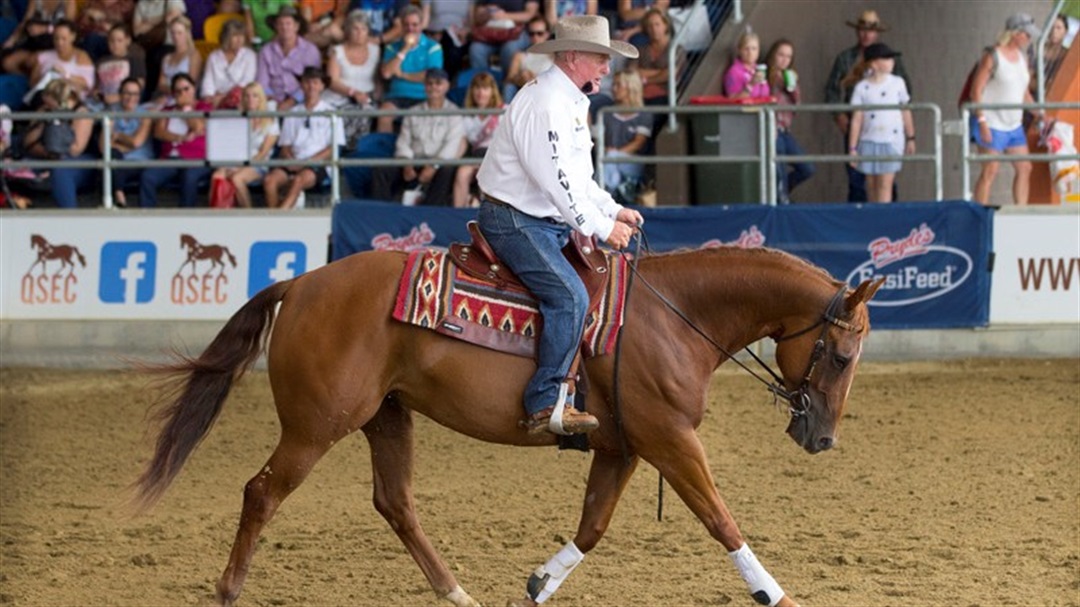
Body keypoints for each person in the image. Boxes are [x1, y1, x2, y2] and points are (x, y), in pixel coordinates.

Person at [475, 15, 643, 435]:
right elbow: (558, 182)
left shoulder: (567, 100)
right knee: (569, 296)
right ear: (572, 57)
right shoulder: (546, 103)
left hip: (537, 218)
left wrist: (611, 209)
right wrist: (601, 228)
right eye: (600, 59)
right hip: (514, 220)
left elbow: (578, 178)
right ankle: (545, 400)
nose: (607, 68)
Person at [825, 9, 910, 203]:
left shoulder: (890, 60)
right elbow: (832, 89)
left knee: (886, 179)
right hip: (856, 122)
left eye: (870, 30)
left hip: (886, 128)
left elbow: (906, 92)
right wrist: (840, 116)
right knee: (857, 177)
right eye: (862, 30)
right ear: (857, 32)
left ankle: (887, 219)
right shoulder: (845, 58)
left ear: (877, 33)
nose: (866, 34)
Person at [970, 13, 1042, 206]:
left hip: (1013, 123)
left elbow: (1023, 92)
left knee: (1024, 167)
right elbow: (976, 91)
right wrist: (982, 121)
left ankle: (1021, 210)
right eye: (1026, 34)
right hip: (992, 122)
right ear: (1015, 33)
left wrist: (1040, 113)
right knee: (990, 170)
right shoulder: (993, 55)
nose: (1028, 39)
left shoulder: (1021, 57)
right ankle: (981, 212)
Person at [372, 68, 464, 206]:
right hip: (414, 161)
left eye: (438, 83)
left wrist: (434, 166)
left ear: (447, 86)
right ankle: (380, 213)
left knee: (447, 170)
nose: (433, 87)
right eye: (429, 83)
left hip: (438, 163)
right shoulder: (413, 112)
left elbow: (451, 146)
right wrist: (406, 163)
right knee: (381, 169)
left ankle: (431, 213)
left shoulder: (454, 114)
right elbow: (403, 141)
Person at [263, 66, 345, 209]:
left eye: (315, 82)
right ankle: (277, 216)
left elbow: (333, 148)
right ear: (301, 85)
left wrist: (307, 162)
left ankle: (277, 220)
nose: (311, 86)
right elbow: (285, 146)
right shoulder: (293, 112)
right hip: (293, 160)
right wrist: (291, 161)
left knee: (298, 181)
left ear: (322, 86)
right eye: (307, 82)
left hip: (318, 164)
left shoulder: (332, 112)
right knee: (270, 180)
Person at [844, 43, 913, 204]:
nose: (892, 62)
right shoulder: (862, 87)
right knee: (871, 183)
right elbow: (857, 119)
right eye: (887, 58)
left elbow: (906, 110)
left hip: (891, 139)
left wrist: (911, 137)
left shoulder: (897, 83)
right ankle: (873, 218)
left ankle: (884, 220)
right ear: (874, 62)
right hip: (868, 139)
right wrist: (852, 147)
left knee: (885, 183)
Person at [20, 78, 96, 208]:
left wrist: (57, 126)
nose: (46, 103)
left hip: (78, 161)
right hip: (46, 157)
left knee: (61, 170)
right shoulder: (45, 110)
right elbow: (28, 142)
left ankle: (69, 217)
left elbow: (76, 150)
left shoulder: (82, 113)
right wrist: (48, 152)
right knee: (16, 166)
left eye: (49, 100)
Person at [139, 72, 212, 207]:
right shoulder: (168, 109)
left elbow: (197, 127)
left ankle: (186, 221)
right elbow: (159, 132)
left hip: (196, 158)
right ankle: (147, 218)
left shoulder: (204, 107)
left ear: (194, 89)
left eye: (186, 89)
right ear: (173, 94)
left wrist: (185, 109)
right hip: (170, 158)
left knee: (189, 177)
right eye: (178, 91)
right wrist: (181, 138)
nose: (183, 93)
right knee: (148, 177)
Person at [209, 82, 279, 207]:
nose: (250, 99)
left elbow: (263, 152)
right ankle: (217, 217)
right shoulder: (239, 118)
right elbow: (232, 147)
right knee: (217, 175)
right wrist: (227, 166)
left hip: (258, 164)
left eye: (255, 96)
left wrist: (241, 167)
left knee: (236, 178)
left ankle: (249, 216)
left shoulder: (270, 120)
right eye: (247, 96)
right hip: (237, 160)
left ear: (261, 98)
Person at [376, 5, 443, 133]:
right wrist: (405, 48)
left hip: (424, 96)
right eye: (406, 24)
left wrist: (402, 75)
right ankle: (384, 151)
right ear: (401, 25)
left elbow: (432, 76)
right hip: (397, 96)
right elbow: (386, 73)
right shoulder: (392, 47)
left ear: (421, 25)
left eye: (414, 24)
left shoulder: (433, 47)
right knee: (384, 114)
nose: (410, 28)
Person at [765, 38, 813, 203]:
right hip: (770, 130)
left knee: (807, 168)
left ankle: (781, 190)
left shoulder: (790, 76)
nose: (784, 59)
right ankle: (781, 198)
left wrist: (790, 85)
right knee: (779, 166)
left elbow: (797, 104)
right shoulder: (765, 76)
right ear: (773, 56)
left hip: (785, 131)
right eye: (781, 55)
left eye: (788, 56)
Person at [323, 10, 381, 148]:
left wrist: (377, 95)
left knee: (364, 112)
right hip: (339, 96)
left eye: (363, 29)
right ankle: (337, 152)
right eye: (355, 28)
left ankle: (355, 153)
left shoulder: (375, 50)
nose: (359, 33)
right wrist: (353, 92)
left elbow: (378, 79)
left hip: (366, 99)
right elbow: (332, 81)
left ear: (368, 31)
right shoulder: (337, 51)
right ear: (347, 30)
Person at [256, 4, 322, 111]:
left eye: (288, 23)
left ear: (296, 27)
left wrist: (292, 101)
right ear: (276, 27)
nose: (284, 27)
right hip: (272, 102)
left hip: (302, 101)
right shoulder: (266, 51)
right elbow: (262, 82)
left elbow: (313, 81)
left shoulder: (310, 50)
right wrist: (272, 101)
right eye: (280, 24)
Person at [101, 76, 153, 207]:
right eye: (127, 93)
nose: (131, 97)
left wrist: (117, 136)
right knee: (112, 158)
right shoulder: (112, 111)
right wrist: (124, 145)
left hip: (139, 161)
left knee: (113, 163)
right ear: (120, 94)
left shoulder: (145, 115)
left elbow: (136, 143)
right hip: (117, 159)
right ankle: (119, 196)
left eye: (135, 94)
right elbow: (103, 146)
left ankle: (118, 197)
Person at [601, 68, 651, 202]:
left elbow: (639, 143)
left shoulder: (644, 114)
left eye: (618, 85)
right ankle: (619, 193)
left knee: (610, 160)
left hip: (633, 162)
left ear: (630, 87)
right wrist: (609, 152)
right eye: (613, 84)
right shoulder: (606, 113)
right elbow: (600, 142)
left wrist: (615, 154)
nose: (613, 88)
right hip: (609, 160)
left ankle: (606, 194)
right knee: (613, 171)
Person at [453, 70, 502, 207]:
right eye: (477, 88)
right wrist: (452, 161)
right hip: (475, 156)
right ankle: (458, 214)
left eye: (485, 88)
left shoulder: (504, 111)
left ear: (492, 91)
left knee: (486, 173)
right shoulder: (467, 116)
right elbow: (462, 143)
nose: (481, 93)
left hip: (496, 155)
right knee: (462, 173)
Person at [1, 0, 76, 76]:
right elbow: (26, 20)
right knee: (7, 63)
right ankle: (26, 80)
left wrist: (45, 29)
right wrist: (13, 39)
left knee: (36, 64)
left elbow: (69, 28)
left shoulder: (68, 2)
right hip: (35, 42)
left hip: (56, 46)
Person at [29, 20, 95, 103]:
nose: (59, 43)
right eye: (56, 38)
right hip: (45, 98)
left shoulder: (81, 56)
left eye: (64, 39)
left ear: (73, 37)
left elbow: (88, 85)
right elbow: (32, 83)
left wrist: (64, 75)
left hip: (71, 101)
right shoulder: (43, 56)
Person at [469, 1, 539, 74]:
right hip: (491, 33)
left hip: (518, 32)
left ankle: (507, 82)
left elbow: (531, 14)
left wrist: (504, 16)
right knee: (476, 49)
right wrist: (488, 12)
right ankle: (482, 82)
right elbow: (477, 17)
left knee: (509, 49)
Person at [200, 18, 257, 108]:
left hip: (240, 101)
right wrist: (209, 97)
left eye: (241, 35)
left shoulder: (250, 55)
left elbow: (246, 82)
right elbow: (208, 82)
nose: (239, 39)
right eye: (235, 35)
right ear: (226, 37)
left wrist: (224, 97)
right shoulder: (213, 57)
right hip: (215, 101)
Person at [93, 23, 147, 108]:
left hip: (123, 103)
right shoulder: (101, 62)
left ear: (128, 40)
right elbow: (96, 85)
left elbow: (139, 85)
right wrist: (96, 93)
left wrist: (117, 97)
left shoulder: (134, 60)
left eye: (119, 40)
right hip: (101, 102)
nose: (115, 44)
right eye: (111, 41)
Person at [154, 16, 202, 104]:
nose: (176, 36)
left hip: (185, 100)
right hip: (166, 98)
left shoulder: (194, 55)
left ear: (187, 34)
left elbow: (191, 83)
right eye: (173, 33)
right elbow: (160, 84)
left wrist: (172, 90)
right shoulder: (167, 58)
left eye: (179, 33)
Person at [503, 15, 553, 101]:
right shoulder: (520, 55)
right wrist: (520, 78)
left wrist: (536, 79)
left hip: (546, 91)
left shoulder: (554, 56)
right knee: (509, 88)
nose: (535, 37)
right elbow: (509, 79)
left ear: (547, 34)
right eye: (531, 34)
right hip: (524, 92)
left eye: (539, 33)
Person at [722, 29, 768, 100]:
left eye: (754, 49)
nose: (750, 52)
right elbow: (732, 100)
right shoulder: (734, 72)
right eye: (746, 49)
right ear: (740, 50)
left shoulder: (759, 69)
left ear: (758, 51)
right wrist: (751, 84)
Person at [1031, 14, 1068, 91]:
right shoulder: (1036, 48)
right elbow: (1027, 78)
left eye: (1059, 28)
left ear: (1065, 32)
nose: (1054, 31)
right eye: (1051, 27)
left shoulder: (1066, 55)